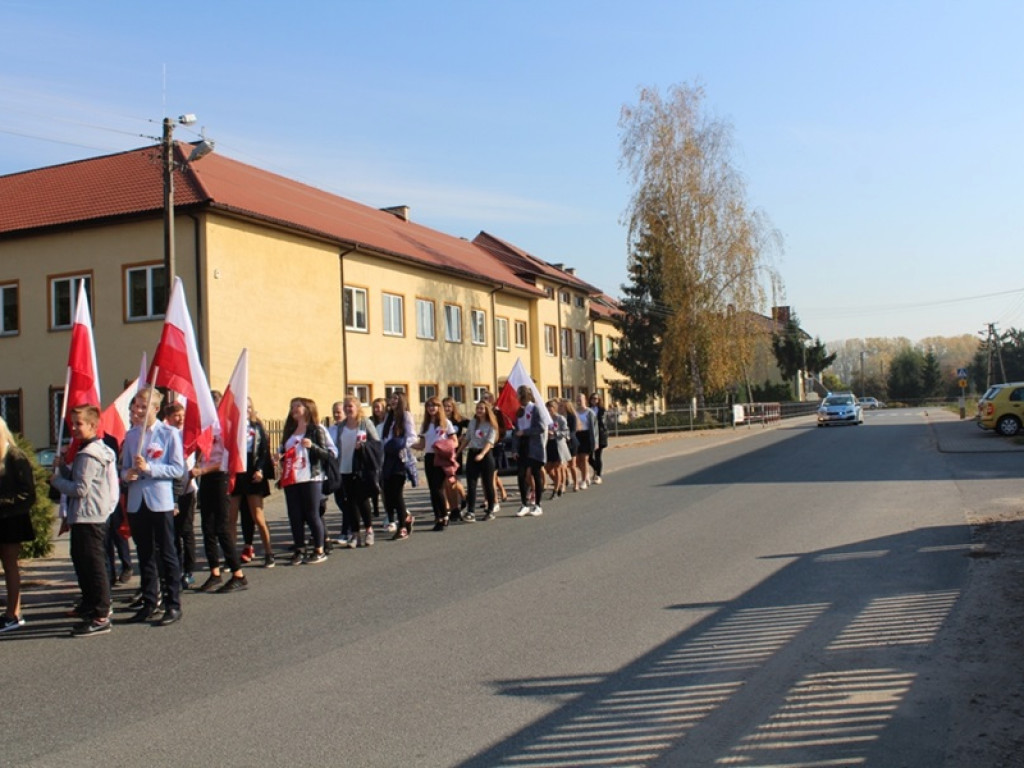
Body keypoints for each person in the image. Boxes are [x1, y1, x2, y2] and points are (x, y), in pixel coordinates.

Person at [49, 405, 118, 636]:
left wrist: (55, 481)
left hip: (90, 516)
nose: (75, 428)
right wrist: (63, 470)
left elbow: (80, 489)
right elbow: (79, 479)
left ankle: (101, 614)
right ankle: (91, 605)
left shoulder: (89, 453)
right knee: (83, 562)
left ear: (92, 425)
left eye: (79, 424)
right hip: (86, 515)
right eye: (73, 424)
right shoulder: (88, 451)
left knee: (94, 565)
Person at [121, 387, 185, 625]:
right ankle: (149, 601)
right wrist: (127, 474)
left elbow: (178, 469)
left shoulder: (168, 434)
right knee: (145, 553)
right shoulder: (131, 436)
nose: (137, 410)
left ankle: (173, 604)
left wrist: (150, 469)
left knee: (167, 552)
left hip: (160, 500)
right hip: (137, 502)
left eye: (142, 406)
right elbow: (123, 467)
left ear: (155, 409)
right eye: (136, 405)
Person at [193, 422, 248, 593]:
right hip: (207, 480)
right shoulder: (205, 432)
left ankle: (238, 574)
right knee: (207, 527)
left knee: (222, 528)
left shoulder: (226, 433)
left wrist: (203, 470)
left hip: (220, 478)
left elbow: (225, 462)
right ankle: (214, 572)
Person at [277, 397, 333, 565]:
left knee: (312, 514)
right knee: (294, 515)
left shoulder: (317, 429)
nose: (294, 409)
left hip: (311, 477)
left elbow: (328, 454)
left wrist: (312, 446)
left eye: (298, 406)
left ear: (308, 409)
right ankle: (299, 549)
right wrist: (278, 456)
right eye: (292, 406)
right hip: (292, 478)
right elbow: (284, 451)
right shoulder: (290, 431)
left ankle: (319, 549)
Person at [228, 398, 275, 568]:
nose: (246, 410)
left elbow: (263, 451)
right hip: (236, 472)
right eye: (243, 407)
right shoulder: (231, 426)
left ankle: (269, 552)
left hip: (253, 471)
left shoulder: (257, 427)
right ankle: (232, 558)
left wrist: (261, 470)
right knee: (231, 517)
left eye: (249, 407)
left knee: (258, 516)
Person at [0, 416, 35, 633]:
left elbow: (28, 494)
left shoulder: (14, 455)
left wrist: (2, 502)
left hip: (11, 519)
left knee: (10, 566)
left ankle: (13, 613)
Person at [335, 396, 381, 548]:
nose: (348, 409)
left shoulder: (365, 423)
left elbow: (376, 443)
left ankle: (369, 530)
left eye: (350, 406)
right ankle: (355, 534)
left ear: (357, 407)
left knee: (362, 500)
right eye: (346, 406)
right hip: (344, 467)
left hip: (361, 467)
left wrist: (364, 446)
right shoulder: (341, 426)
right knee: (350, 502)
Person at [164, 402, 197, 590]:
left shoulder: (189, 435)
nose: (180, 418)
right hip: (169, 492)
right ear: (168, 418)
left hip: (187, 490)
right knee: (172, 533)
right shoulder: (167, 435)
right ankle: (175, 568)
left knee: (186, 530)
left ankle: (189, 570)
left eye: (182, 415)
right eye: (176, 415)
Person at [413, 396, 458, 531]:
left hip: (441, 457)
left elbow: (455, 441)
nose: (432, 408)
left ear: (439, 408)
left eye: (434, 405)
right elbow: (421, 445)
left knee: (438, 488)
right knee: (432, 489)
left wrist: (443, 445)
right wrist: (408, 443)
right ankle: (438, 515)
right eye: (429, 406)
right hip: (429, 457)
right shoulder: (425, 425)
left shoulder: (446, 424)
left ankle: (444, 516)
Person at [380, 392, 417, 540]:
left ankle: (402, 527)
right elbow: (384, 438)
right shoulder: (388, 417)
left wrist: (401, 445)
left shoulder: (406, 416)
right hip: (388, 458)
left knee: (397, 494)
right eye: (391, 398)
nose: (393, 401)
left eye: (396, 398)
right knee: (388, 495)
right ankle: (406, 517)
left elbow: (412, 437)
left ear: (402, 401)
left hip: (400, 458)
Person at [461, 400, 499, 522]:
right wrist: (458, 451)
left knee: (488, 484)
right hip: (472, 453)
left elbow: (490, 441)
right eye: (477, 408)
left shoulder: (491, 424)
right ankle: (470, 511)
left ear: (487, 410)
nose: (479, 410)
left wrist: (482, 454)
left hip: (486, 455)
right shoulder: (472, 422)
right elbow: (467, 438)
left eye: (482, 408)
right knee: (471, 484)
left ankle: (491, 510)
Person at [513, 386, 546, 517]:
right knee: (521, 475)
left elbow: (541, 427)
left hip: (534, 446)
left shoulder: (535, 409)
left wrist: (525, 432)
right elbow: (516, 431)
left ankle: (538, 505)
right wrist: (515, 449)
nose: (516, 397)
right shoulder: (519, 411)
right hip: (522, 446)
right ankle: (524, 504)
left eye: (518, 394)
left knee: (536, 474)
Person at [442, 397, 469, 520]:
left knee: (453, 480)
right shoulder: (440, 420)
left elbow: (472, 427)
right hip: (442, 453)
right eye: (445, 406)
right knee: (445, 481)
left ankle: (464, 497)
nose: (447, 408)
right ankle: (448, 506)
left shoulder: (459, 420)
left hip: (455, 453)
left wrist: (463, 438)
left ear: (453, 407)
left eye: (449, 406)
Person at [544, 400, 571, 498]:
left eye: (550, 408)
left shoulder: (560, 419)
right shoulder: (546, 419)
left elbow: (565, 432)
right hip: (549, 445)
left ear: (554, 408)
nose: (548, 410)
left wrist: (555, 433)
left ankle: (555, 490)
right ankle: (558, 483)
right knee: (547, 468)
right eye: (547, 408)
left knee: (557, 468)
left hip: (558, 445)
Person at [369, 397, 388, 527]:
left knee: (387, 489)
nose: (376, 410)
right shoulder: (371, 422)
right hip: (374, 459)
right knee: (378, 488)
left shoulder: (389, 422)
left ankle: (390, 514)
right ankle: (380, 510)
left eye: (379, 407)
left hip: (387, 458)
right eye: (374, 407)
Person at [573, 393, 595, 489]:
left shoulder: (589, 412)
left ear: (585, 400)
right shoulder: (574, 412)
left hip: (587, 435)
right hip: (577, 435)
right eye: (577, 398)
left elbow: (595, 428)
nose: (578, 400)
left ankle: (583, 481)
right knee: (577, 460)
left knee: (584, 458)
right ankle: (586, 475)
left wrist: (596, 441)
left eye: (580, 398)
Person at [589, 393, 608, 484]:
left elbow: (603, 423)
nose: (594, 400)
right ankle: (596, 469)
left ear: (599, 400)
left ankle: (598, 475)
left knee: (597, 456)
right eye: (592, 398)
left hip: (599, 435)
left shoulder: (601, 410)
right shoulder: (588, 409)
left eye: (596, 399)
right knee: (588, 457)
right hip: (589, 435)